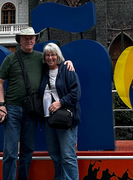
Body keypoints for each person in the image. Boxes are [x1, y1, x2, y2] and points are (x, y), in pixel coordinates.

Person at [0, 27, 74, 180]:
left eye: (31, 37)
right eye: (25, 38)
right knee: (10, 153)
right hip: (12, 109)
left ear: (35, 39)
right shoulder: (10, 59)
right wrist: (1, 105)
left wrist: (68, 62)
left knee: (27, 151)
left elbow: (55, 62)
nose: (29, 40)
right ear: (20, 40)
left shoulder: (40, 58)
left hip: (32, 111)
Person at [38, 43, 81, 180]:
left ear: (58, 56)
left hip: (64, 118)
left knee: (68, 155)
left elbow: (76, 94)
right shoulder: (43, 72)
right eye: (48, 55)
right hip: (48, 119)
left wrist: (60, 103)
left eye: (53, 54)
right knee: (54, 154)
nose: (50, 58)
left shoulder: (67, 70)